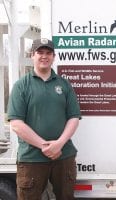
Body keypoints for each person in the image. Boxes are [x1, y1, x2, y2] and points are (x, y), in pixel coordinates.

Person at [7, 38, 81, 200]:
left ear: (54, 57)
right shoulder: (22, 85)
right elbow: (16, 123)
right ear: (32, 55)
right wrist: (45, 146)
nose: (44, 56)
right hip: (32, 158)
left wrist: (59, 144)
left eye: (48, 53)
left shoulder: (65, 85)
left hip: (64, 155)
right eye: (40, 52)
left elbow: (74, 117)